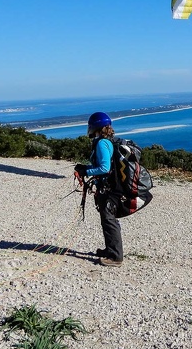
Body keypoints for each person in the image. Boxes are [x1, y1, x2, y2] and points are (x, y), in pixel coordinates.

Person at [74, 112, 123, 267]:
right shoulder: (106, 141)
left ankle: (115, 257)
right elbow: (101, 166)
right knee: (107, 219)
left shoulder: (102, 143)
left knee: (109, 220)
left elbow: (104, 167)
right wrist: (86, 168)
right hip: (109, 186)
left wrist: (86, 172)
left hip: (109, 188)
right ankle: (110, 250)